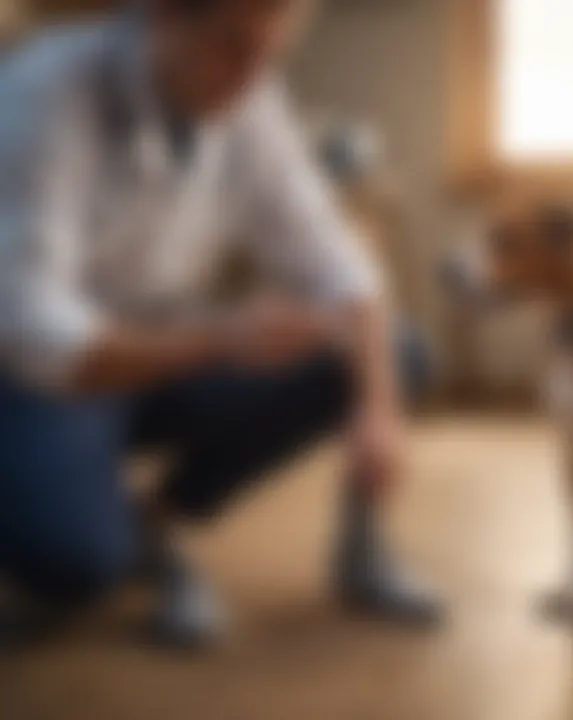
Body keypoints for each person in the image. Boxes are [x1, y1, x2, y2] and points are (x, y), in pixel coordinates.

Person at [0, 0, 442, 648]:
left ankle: (159, 522)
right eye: (234, 48)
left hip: (165, 338)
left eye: (272, 54)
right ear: (163, 17)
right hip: (42, 374)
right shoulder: (46, 91)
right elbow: (34, 332)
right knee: (76, 565)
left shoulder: (252, 93)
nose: (252, 77)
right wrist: (221, 340)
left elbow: (342, 267)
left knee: (398, 354)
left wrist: (378, 410)